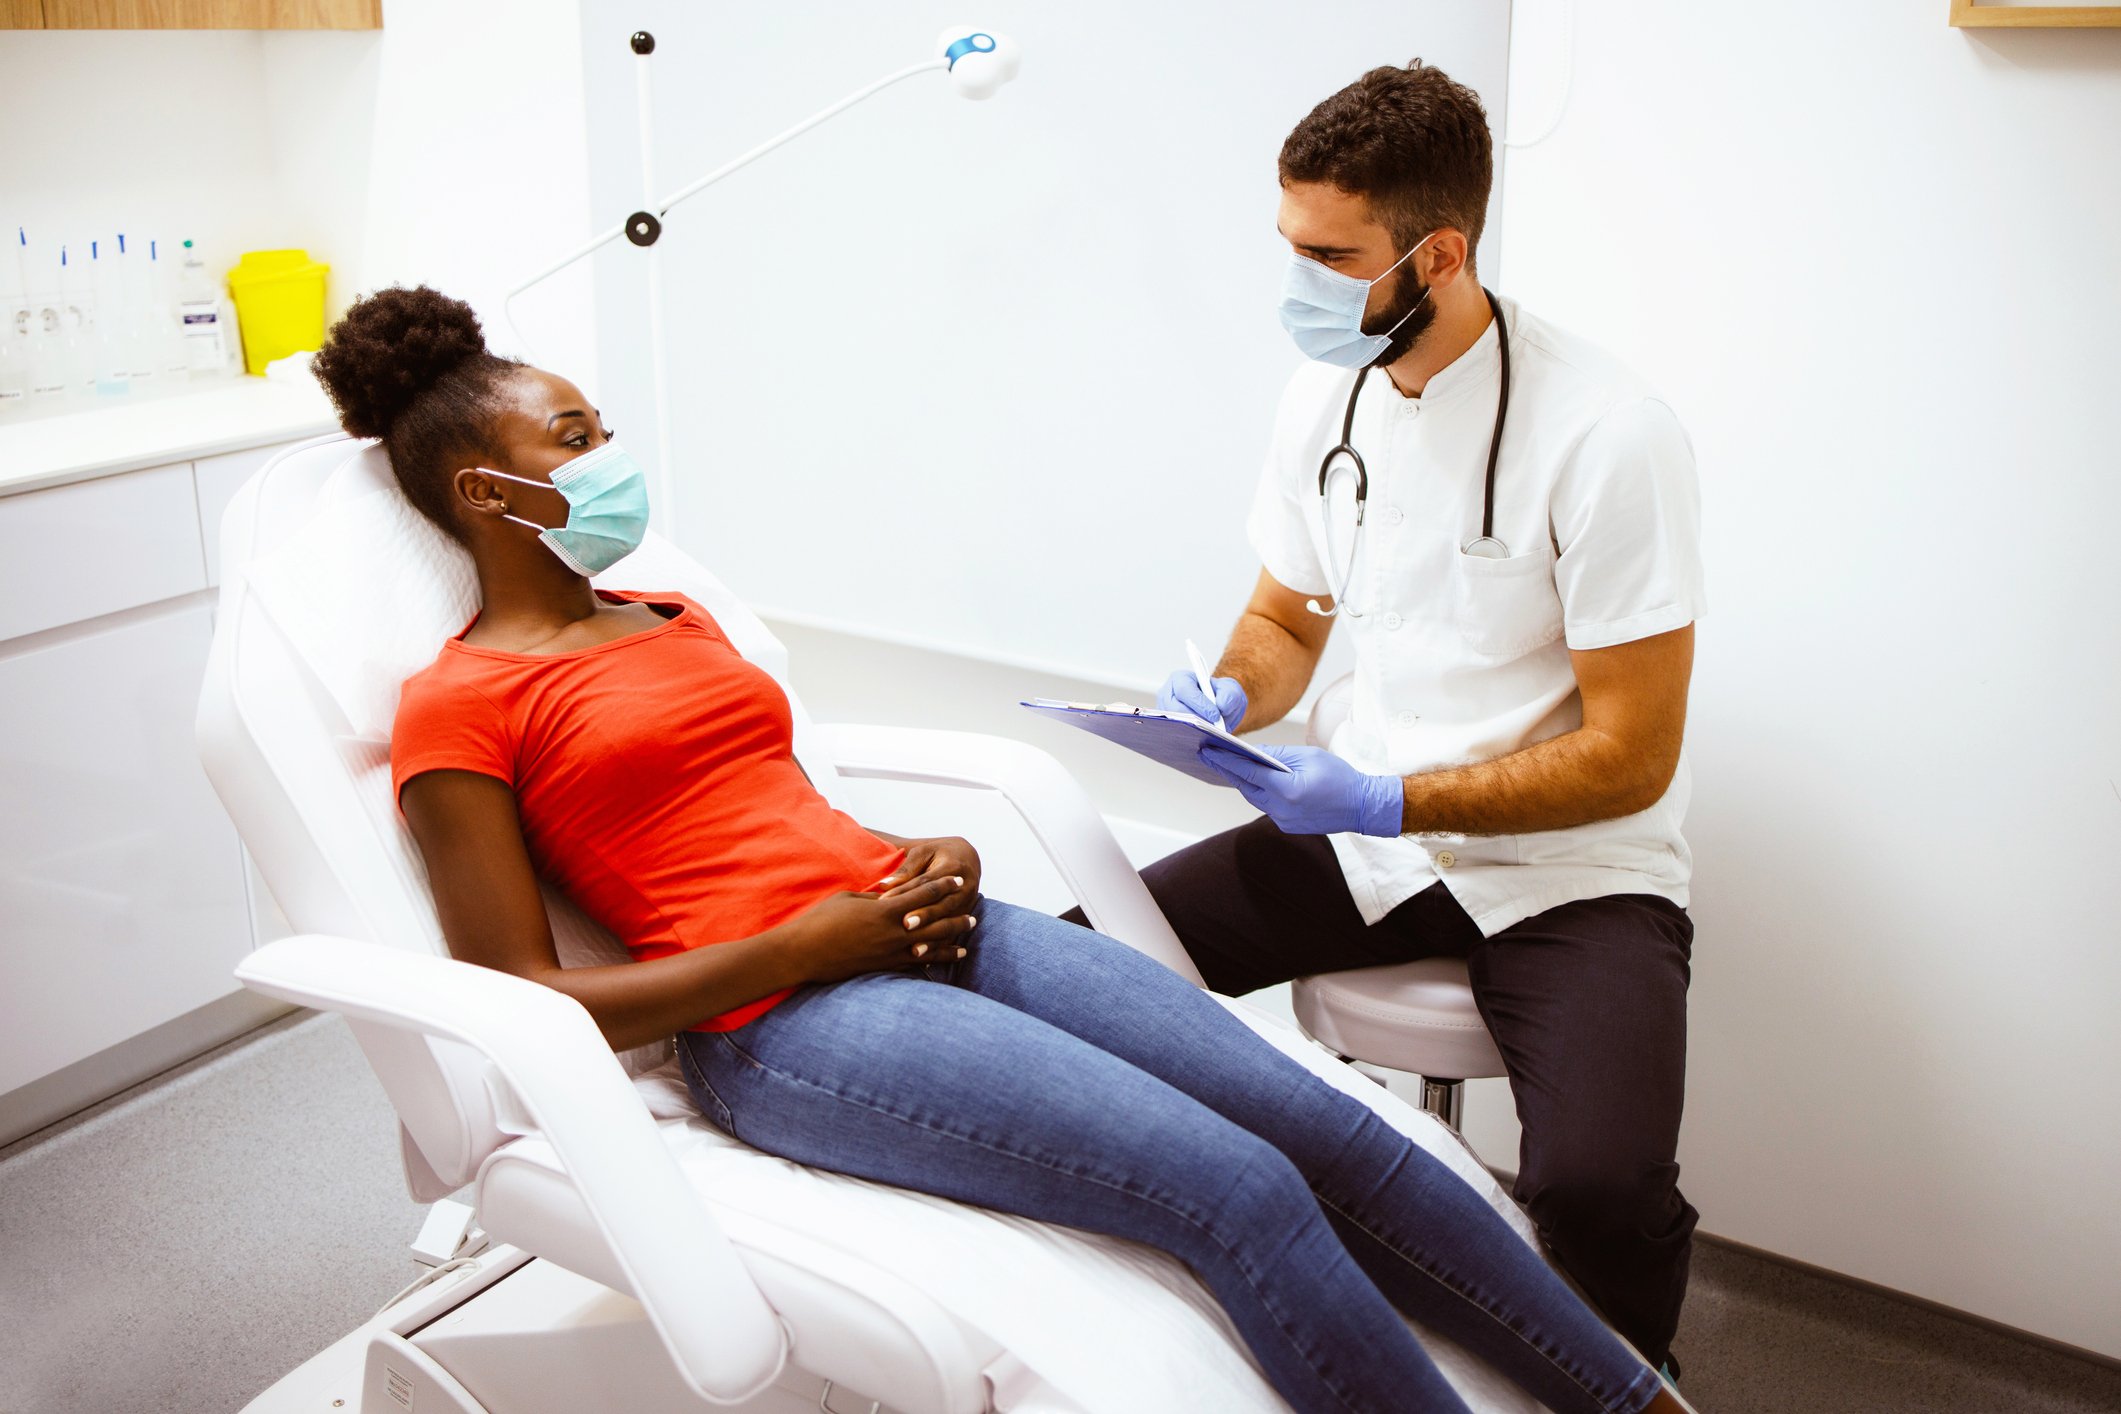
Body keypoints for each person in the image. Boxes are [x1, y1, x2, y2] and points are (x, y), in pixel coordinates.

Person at [310, 285, 1683, 1414]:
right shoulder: (460, 704)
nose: (613, 454)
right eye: (576, 435)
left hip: (923, 922)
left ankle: (1629, 1398)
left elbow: (771, 810)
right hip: (780, 1019)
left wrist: (931, 851)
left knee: (1326, 1126)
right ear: (487, 489)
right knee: (1236, 1188)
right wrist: (808, 945)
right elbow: (523, 995)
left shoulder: (673, 616)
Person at [1113, 62, 1707, 1379]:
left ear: (1438, 254)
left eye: (1330, 258)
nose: (1298, 284)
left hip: (1568, 869)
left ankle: (1624, 1385)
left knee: (1599, 1186)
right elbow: (1284, 623)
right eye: (1290, 246)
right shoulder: (1320, 397)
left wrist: (1390, 797)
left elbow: (1630, 756)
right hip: (1365, 841)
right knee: (1086, 965)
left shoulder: (1609, 434)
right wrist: (1231, 691)